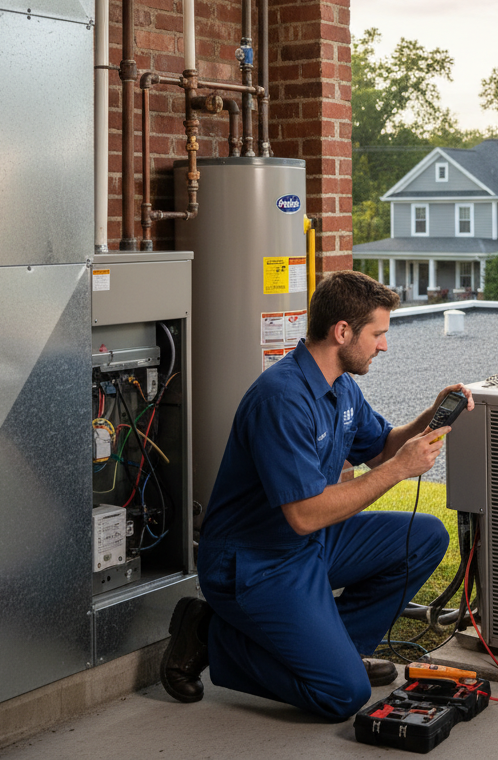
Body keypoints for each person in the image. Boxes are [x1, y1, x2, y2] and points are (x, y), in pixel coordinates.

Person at [159, 270, 473, 718]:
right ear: (342, 331)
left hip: (310, 547)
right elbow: (304, 514)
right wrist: (402, 470)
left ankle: (339, 647)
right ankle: (211, 633)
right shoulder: (281, 399)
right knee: (341, 695)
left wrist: (431, 413)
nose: (384, 345)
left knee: (423, 537)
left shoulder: (340, 385)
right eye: (377, 334)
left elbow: (382, 449)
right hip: (254, 563)